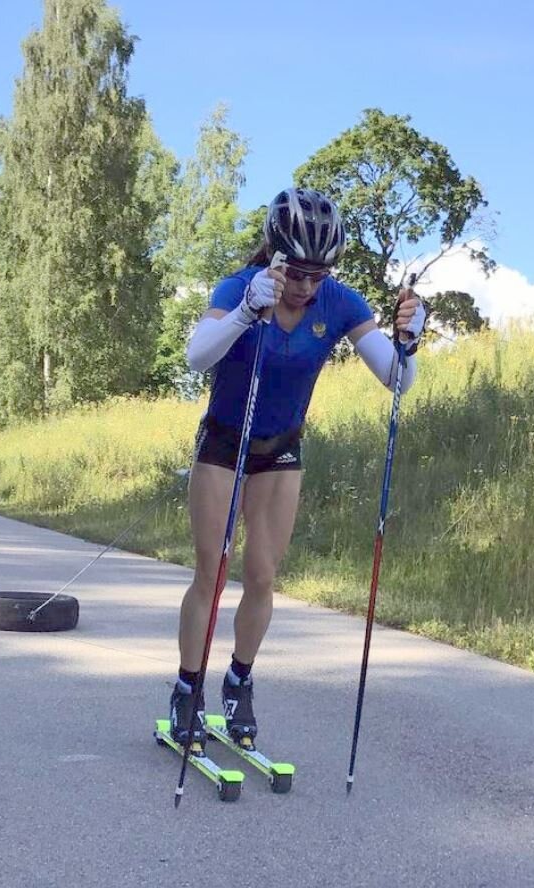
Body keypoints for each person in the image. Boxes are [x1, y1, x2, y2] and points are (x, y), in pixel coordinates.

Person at [169, 187, 425, 749]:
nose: (307, 286)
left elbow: (398, 380)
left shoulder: (339, 302)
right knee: (211, 571)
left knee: (262, 575)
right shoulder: (242, 287)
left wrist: (410, 341)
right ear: (275, 255)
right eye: (298, 273)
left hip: (280, 449)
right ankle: (188, 689)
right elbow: (196, 356)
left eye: (319, 274)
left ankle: (238, 681)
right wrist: (244, 313)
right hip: (223, 444)